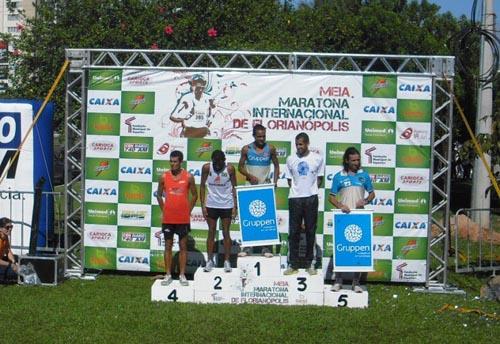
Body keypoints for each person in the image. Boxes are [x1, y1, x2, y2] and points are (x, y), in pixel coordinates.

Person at [328, 146, 375, 293]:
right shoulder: (339, 176)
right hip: (344, 216)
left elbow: (372, 194)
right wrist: (341, 205)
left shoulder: (364, 176)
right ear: (347, 161)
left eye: (358, 160)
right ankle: (338, 280)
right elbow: (331, 197)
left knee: (357, 250)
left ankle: (356, 282)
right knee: (341, 248)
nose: (356, 162)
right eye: (353, 160)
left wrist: (366, 201)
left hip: (359, 216)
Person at [283, 133, 324, 275]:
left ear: (307, 144)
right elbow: (290, 180)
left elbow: (319, 179)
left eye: (301, 144)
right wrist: (298, 192)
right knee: (293, 232)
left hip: (311, 198)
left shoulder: (317, 158)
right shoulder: (290, 159)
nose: (298, 147)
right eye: (297, 144)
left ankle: (310, 263)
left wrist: (310, 192)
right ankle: (292, 264)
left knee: (310, 231)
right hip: (295, 199)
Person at [237, 124, 280, 257]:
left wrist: (275, 182)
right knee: (249, 217)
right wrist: (249, 176)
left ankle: (265, 248)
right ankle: (248, 247)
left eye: (264, 136)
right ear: (254, 136)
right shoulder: (246, 149)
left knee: (266, 218)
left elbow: (277, 166)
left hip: (265, 188)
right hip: (250, 187)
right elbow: (240, 167)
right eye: (259, 136)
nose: (262, 139)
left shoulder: (271, 148)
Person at [156, 150, 198, 286]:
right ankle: (168, 274)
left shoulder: (189, 177)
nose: (172, 164)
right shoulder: (164, 177)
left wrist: (188, 210)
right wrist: (165, 209)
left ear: (181, 162)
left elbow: (195, 195)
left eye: (175, 162)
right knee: (167, 246)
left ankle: (182, 275)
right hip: (168, 218)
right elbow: (158, 195)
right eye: (171, 161)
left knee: (183, 246)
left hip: (182, 219)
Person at [200, 150, 237, 273]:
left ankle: (227, 261)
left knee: (226, 232)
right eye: (214, 163)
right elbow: (201, 186)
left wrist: (235, 207)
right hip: (211, 204)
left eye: (219, 163)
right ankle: (209, 260)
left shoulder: (230, 169)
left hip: (226, 205)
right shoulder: (206, 168)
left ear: (224, 160)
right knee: (211, 232)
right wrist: (203, 206)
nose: (216, 166)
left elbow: (234, 188)